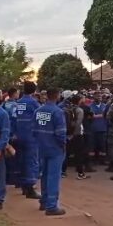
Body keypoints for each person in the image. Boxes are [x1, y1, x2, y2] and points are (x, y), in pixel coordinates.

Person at [33, 88, 67, 216]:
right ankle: (52, 206)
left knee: (45, 175)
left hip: (42, 147)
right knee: (53, 176)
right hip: (55, 148)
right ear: (57, 96)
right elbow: (61, 133)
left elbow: (34, 130)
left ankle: (44, 201)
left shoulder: (38, 111)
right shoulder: (57, 112)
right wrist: (63, 145)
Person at [15, 81, 41, 198]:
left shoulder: (18, 102)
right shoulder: (34, 103)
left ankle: (24, 187)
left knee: (22, 161)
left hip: (18, 136)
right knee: (31, 161)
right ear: (34, 91)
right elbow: (40, 118)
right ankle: (30, 188)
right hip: (31, 137)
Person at [2, 87, 21, 186]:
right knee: (14, 156)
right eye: (17, 93)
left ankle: (7, 176)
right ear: (14, 94)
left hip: (5, 133)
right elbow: (16, 119)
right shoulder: (15, 105)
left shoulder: (4, 104)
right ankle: (14, 178)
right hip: (12, 133)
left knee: (6, 155)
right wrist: (16, 133)